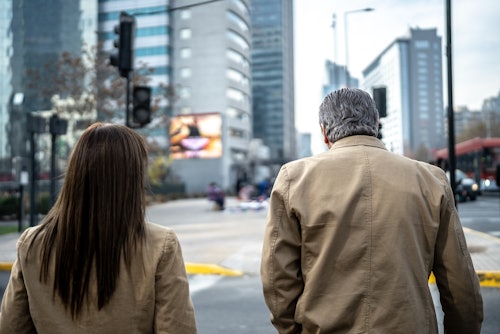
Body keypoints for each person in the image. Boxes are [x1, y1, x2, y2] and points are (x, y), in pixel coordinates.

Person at [260, 88, 483, 333]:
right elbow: (460, 284)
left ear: (324, 132)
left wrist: (291, 330)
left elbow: (277, 276)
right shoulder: (431, 180)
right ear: (376, 124)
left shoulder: (294, 178)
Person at [0, 123, 197, 333]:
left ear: (74, 175)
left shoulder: (32, 243)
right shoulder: (160, 245)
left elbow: (11, 327)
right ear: (131, 181)